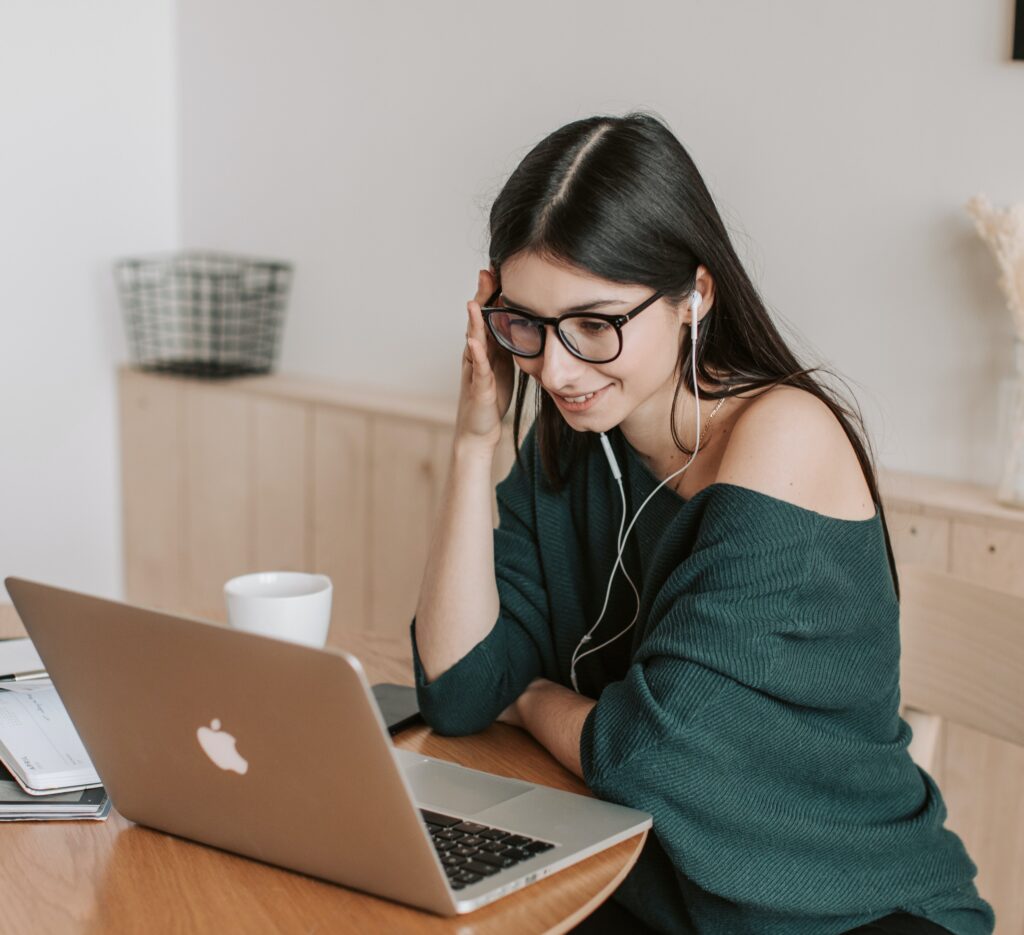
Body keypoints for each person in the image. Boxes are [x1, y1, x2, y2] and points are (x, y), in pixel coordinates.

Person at [410, 112, 994, 935]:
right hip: (655, 894)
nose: (557, 367)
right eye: (527, 325)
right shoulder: (580, 441)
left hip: (845, 910)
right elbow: (461, 688)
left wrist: (533, 694)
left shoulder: (783, 433)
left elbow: (646, 751)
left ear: (695, 295)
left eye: (595, 323)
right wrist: (474, 442)